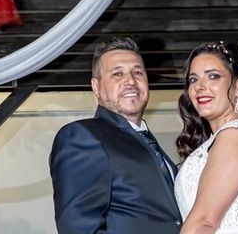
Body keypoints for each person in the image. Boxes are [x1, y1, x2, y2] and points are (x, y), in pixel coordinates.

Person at [49, 36, 182, 233]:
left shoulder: (150, 145)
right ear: (96, 87)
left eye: (137, 72)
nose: (130, 81)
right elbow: (79, 229)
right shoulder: (82, 136)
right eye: (117, 74)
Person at [174, 41, 238, 234]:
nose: (199, 87)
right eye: (193, 79)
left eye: (213, 76)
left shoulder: (235, 134)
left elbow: (203, 223)